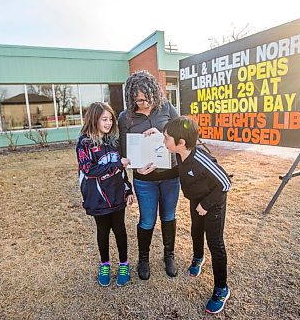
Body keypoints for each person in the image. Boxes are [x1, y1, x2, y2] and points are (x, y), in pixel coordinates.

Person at [163, 116, 231, 314]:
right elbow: (179, 173)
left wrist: (206, 204)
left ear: (181, 142)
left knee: (215, 244)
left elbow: (225, 183)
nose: (164, 141)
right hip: (196, 201)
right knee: (195, 232)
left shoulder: (201, 159)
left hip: (213, 204)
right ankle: (198, 258)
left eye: (166, 138)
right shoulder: (178, 154)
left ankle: (221, 289)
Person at [118, 70, 180, 280]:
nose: (142, 104)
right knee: (147, 220)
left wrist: (162, 135)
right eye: (136, 100)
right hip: (145, 179)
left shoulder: (166, 107)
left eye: (145, 99)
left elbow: (183, 133)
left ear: (154, 92)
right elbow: (124, 150)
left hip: (171, 175)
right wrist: (135, 168)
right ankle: (143, 259)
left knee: (168, 216)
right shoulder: (125, 117)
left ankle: (168, 255)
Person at [76, 102, 134, 287]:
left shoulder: (113, 142)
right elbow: (89, 169)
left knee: (120, 230)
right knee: (103, 231)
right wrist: (118, 165)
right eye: (104, 119)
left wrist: (128, 189)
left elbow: (122, 171)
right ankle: (105, 264)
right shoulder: (84, 143)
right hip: (98, 198)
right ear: (94, 119)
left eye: (110, 119)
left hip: (117, 194)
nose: (108, 123)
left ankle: (124, 264)